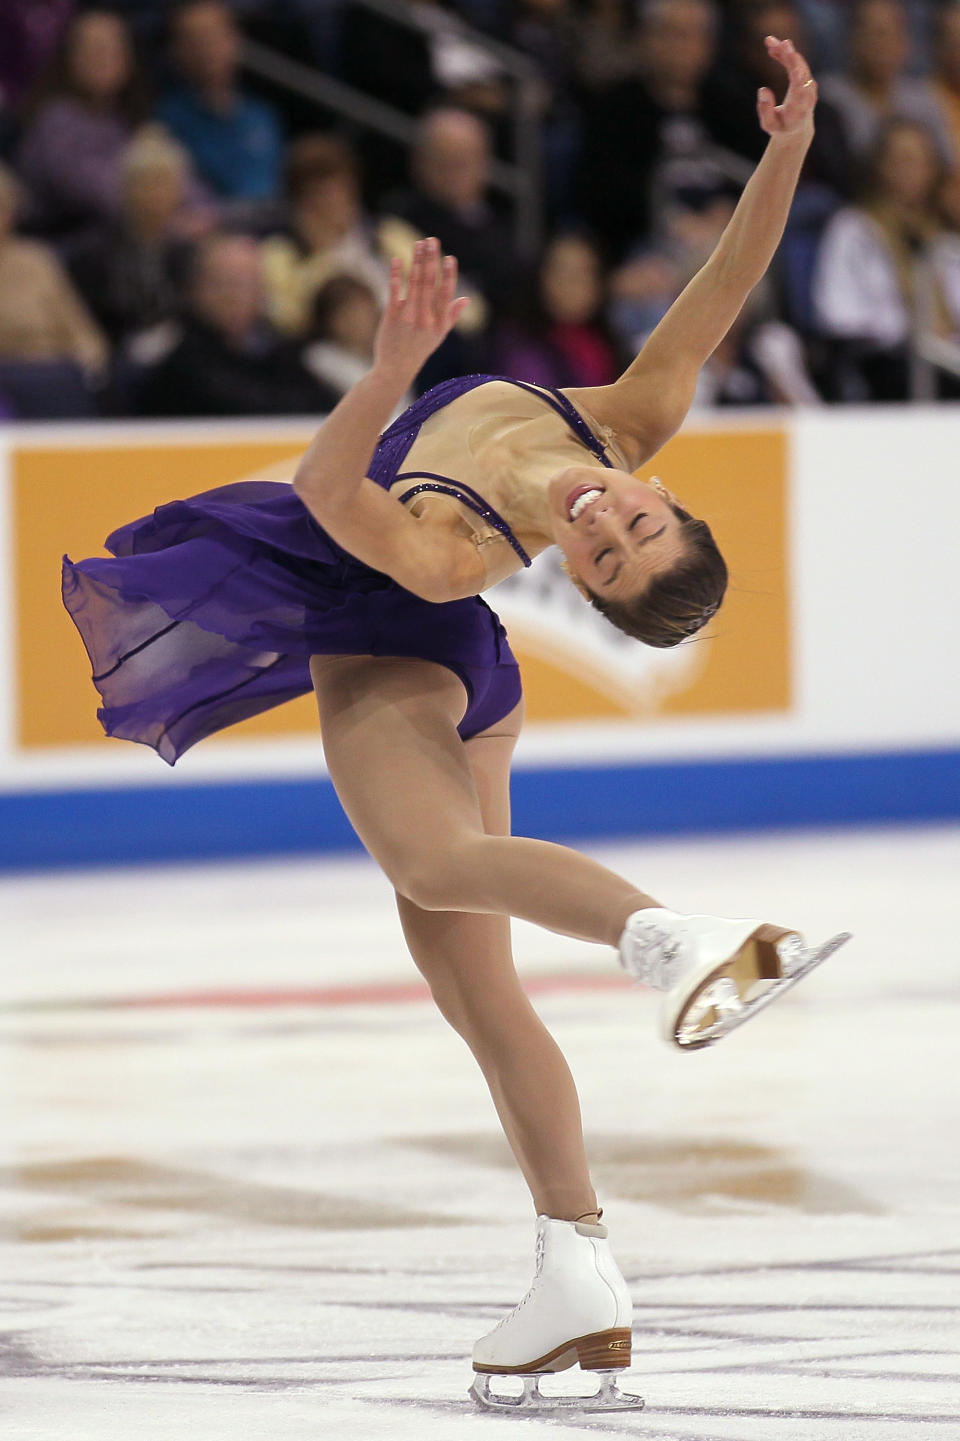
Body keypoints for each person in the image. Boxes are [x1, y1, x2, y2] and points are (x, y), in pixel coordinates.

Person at [62, 38, 847, 1411]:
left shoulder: (448, 555)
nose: (610, 525)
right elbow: (726, 287)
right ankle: (578, 1269)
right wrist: (784, 149)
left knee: (434, 869)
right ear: (668, 495)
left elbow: (325, 487)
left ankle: (674, 939)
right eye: (641, 523)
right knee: (479, 995)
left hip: (394, 645)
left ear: (584, 588)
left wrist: (390, 370)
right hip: (462, 666)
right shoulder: (623, 418)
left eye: (606, 562)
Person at [811, 117, 960, 400]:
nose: (912, 171)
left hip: (948, 357)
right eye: (902, 160)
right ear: (879, 165)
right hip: (887, 361)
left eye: (921, 161)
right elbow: (838, 314)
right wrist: (912, 331)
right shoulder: (853, 229)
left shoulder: (943, 237)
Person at [140, 232, 337, 417]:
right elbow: (239, 403)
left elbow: (320, 402)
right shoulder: (180, 357)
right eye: (227, 284)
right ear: (195, 289)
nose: (236, 297)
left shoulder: (277, 349)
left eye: (250, 284)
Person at [16, 7, 147, 240]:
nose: (103, 58)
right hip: (64, 248)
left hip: (123, 240)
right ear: (69, 57)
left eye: (112, 48)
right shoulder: (55, 121)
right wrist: (160, 202)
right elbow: (94, 192)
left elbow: (170, 170)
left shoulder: (123, 119)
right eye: (93, 49)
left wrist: (204, 212)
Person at [158, 0, 283, 204]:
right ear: (175, 52)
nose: (207, 50)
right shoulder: (165, 126)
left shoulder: (262, 115)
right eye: (194, 40)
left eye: (214, 36)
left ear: (236, 40)